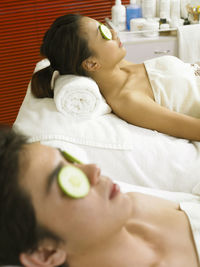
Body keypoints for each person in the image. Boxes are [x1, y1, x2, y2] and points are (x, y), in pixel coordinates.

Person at [0, 125, 199, 267]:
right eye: (66, 180)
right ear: (46, 253)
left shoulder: (137, 205)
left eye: (68, 160)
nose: (93, 169)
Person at [31, 14, 200, 141]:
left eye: (103, 26)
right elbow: (194, 130)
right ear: (91, 64)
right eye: (103, 34)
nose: (112, 31)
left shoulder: (121, 67)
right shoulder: (129, 100)